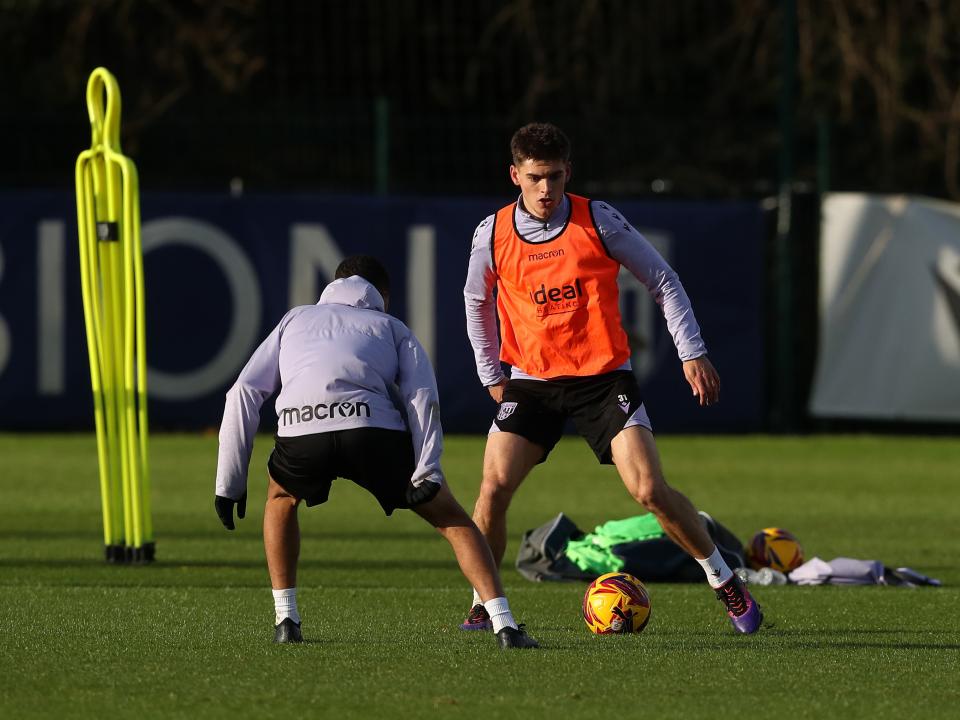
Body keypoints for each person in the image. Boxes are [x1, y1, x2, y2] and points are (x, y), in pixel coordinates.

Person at [461, 123, 762, 634]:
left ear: (568, 172)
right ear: (515, 175)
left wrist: (692, 352)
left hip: (603, 379)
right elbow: (476, 300)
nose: (545, 190)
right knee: (492, 488)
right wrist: (492, 373)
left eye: (555, 177)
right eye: (535, 178)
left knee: (649, 490)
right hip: (532, 381)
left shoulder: (597, 219)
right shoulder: (492, 232)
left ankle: (722, 577)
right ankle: (484, 603)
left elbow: (663, 280)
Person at [214, 254, 538, 648]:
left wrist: (229, 482)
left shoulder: (293, 320)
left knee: (281, 498)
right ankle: (504, 626)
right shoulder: (391, 326)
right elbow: (423, 399)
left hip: (302, 433)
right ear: (382, 295)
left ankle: (286, 620)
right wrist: (428, 470)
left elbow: (243, 392)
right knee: (453, 520)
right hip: (372, 432)